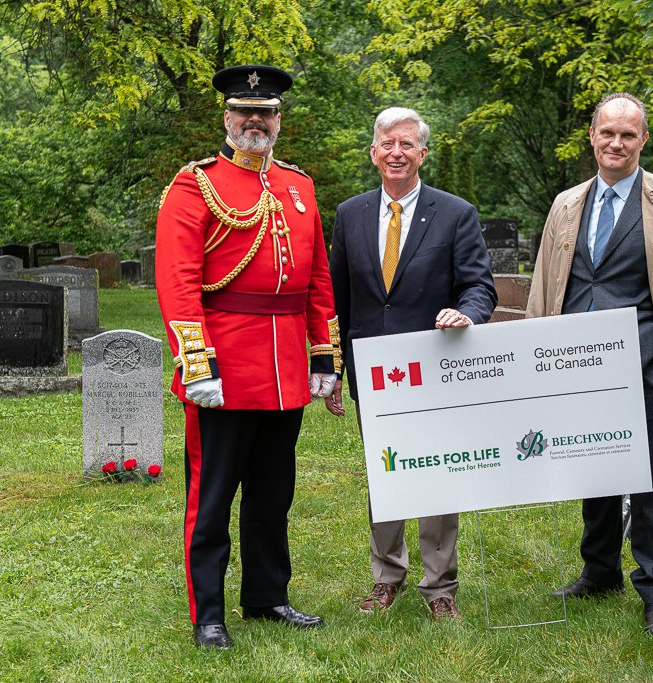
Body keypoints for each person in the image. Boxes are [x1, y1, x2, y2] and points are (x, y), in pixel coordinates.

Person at [155, 64, 342, 650]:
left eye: (265, 112)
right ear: (227, 117)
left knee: (272, 494)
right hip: (226, 364)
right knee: (211, 496)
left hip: (286, 367)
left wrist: (323, 357)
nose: (255, 121)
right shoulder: (195, 185)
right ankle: (207, 612)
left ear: (279, 120)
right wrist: (195, 361)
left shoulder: (298, 186)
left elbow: (317, 280)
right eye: (244, 111)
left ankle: (267, 595)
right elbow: (178, 281)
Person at [525, 92, 653, 643]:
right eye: (608, 133)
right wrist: (537, 353)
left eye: (628, 135)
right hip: (572, 364)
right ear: (592, 135)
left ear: (643, 140)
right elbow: (544, 282)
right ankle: (599, 572)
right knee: (591, 470)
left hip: (643, 365)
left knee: (644, 478)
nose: (616, 143)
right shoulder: (566, 204)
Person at [325, 107, 497, 621]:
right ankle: (386, 576)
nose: (396, 152)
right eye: (386, 144)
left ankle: (440, 585)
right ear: (373, 152)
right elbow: (336, 299)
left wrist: (464, 313)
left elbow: (479, 286)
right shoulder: (349, 215)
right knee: (387, 472)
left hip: (436, 366)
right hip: (373, 370)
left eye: (406, 144)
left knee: (438, 474)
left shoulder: (455, 213)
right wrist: (333, 366)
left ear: (423, 153)